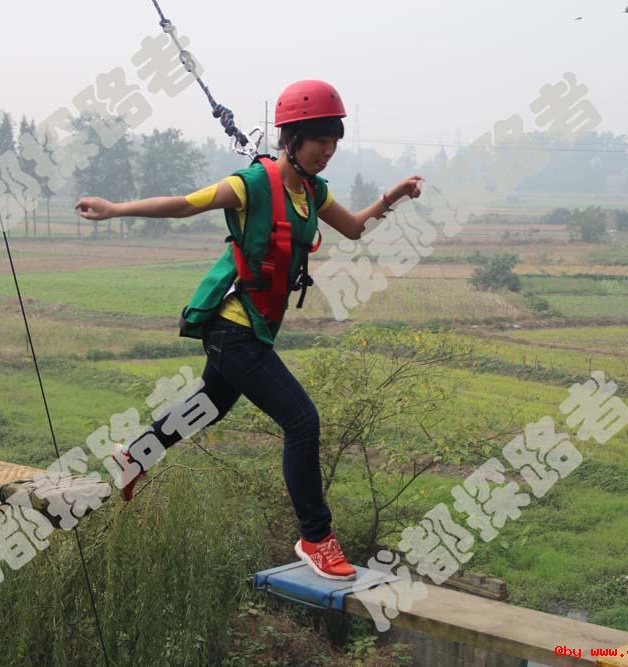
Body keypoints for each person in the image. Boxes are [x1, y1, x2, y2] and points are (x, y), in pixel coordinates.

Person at [75, 80, 423, 580]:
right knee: (302, 421)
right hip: (232, 330)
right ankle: (316, 538)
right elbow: (185, 204)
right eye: (320, 140)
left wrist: (393, 196)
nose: (328, 151)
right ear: (292, 139)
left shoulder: (313, 191)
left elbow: (354, 228)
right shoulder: (252, 184)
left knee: (209, 405)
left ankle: (134, 456)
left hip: (255, 330)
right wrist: (116, 210)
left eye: (334, 141)